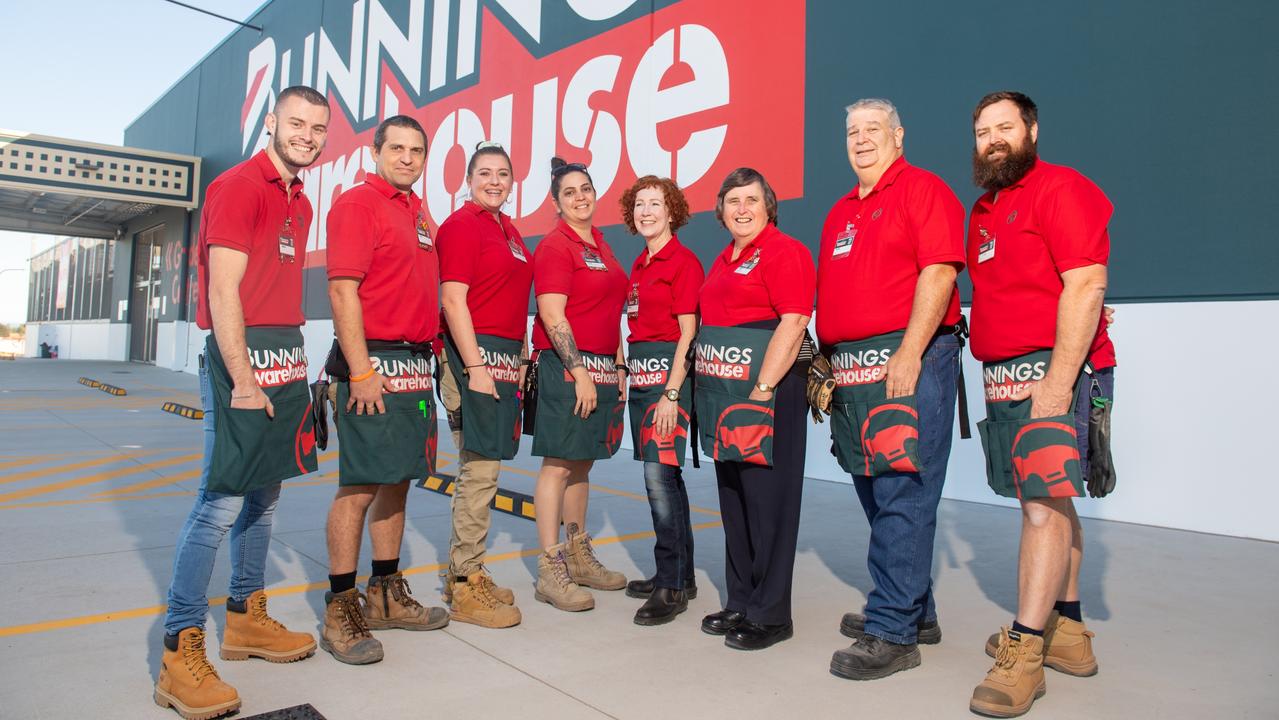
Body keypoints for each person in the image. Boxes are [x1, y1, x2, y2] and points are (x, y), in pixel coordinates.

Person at [154, 86, 328, 720]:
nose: (306, 135)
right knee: (219, 503)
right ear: (272, 123)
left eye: (317, 128)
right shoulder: (238, 186)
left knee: (265, 497)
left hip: (285, 357)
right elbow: (224, 291)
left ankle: (246, 619)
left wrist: (290, 371)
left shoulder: (300, 199)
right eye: (296, 123)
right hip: (244, 363)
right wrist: (245, 379)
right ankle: (179, 649)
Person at [965, 91, 1116, 718]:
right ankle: (1071, 632)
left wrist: (1056, 388)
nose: (993, 139)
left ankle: (1025, 651)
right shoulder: (984, 209)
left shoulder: (1063, 189)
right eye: (982, 131)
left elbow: (1086, 284)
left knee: (1039, 509)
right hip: (1006, 376)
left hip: (1055, 375)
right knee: (1049, 502)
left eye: (1005, 127)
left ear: (1032, 130)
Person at [817, 99, 966, 680]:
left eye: (872, 130)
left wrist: (908, 351)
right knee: (873, 489)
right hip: (851, 370)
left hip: (909, 360)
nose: (861, 139)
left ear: (898, 136)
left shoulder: (922, 189)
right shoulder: (838, 212)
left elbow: (939, 271)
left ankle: (895, 633)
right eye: (852, 131)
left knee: (905, 488)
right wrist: (827, 361)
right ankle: (915, 606)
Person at [320, 115, 449, 665]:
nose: (407, 157)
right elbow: (343, 292)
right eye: (396, 148)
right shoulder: (356, 204)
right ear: (376, 152)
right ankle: (341, 606)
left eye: (416, 150)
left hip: (415, 365)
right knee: (359, 485)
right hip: (372, 364)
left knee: (398, 480)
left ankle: (384, 592)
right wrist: (361, 370)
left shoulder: (418, 210)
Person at [696, 168, 815, 651]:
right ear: (720, 211)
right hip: (725, 396)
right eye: (732, 201)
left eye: (751, 200)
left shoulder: (786, 251)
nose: (741, 209)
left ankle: (771, 614)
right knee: (735, 499)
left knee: (769, 503)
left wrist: (765, 388)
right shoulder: (724, 259)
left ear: (769, 206)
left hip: (767, 391)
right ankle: (742, 598)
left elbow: (794, 320)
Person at [435, 141, 531, 629]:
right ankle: (464, 581)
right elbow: (453, 300)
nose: (495, 181)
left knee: (486, 469)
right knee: (479, 470)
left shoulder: (508, 231)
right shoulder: (461, 225)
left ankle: (464, 572)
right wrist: (475, 367)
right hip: (472, 362)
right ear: (469, 178)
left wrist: (520, 357)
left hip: (502, 359)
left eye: (503, 174)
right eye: (485, 172)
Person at [529, 157, 630, 612]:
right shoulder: (556, 246)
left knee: (582, 464)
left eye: (585, 188)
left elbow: (611, 314)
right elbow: (553, 314)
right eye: (569, 192)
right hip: (569, 369)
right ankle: (551, 569)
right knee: (557, 465)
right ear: (556, 202)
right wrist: (580, 373)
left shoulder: (602, 245)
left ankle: (578, 555)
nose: (580, 197)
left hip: (603, 368)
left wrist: (619, 367)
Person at [616, 176, 705, 625]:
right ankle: (678, 574)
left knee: (658, 482)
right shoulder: (639, 264)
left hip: (668, 386)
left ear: (673, 212)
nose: (647, 211)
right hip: (642, 383)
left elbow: (688, 332)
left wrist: (672, 393)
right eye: (640, 204)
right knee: (668, 481)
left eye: (656, 204)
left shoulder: (682, 262)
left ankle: (671, 588)